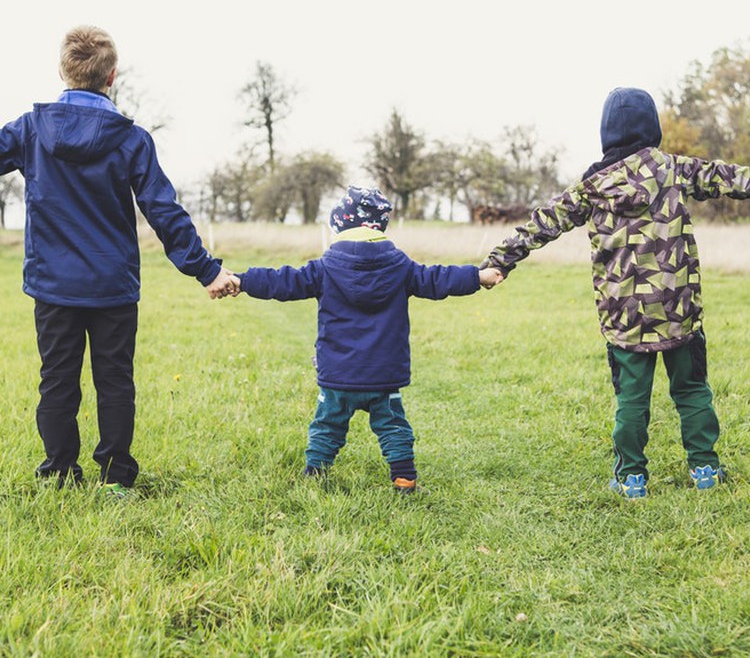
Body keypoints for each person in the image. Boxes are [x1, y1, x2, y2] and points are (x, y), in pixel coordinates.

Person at [0, 25, 236, 496]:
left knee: (57, 382)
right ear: (111, 77)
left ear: (63, 72)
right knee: (115, 381)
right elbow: (163, 212)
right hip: (112, 286)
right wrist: (206, 270)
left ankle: (60, 474)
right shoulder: (132, 139)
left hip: (53, 286)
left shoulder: (31, 130)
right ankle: (115, 478)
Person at [482, 87, 750, 498]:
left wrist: (501, 260)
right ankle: (705, 471)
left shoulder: (592, 186)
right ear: (653, 128)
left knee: (631, 400)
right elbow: (730, 178)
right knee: (693, 390)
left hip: (625, 318)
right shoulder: (674, 169)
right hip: (679, 310)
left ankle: (632, 479)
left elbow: (541, 223)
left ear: (607, 133)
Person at [229, 186, 501, 492]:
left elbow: (282, 281)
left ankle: (315, 474)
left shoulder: (324, 268)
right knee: (393, 427)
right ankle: (404, 478)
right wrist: (477, 277)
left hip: (338, 375)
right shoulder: (401, 267)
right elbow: (437, 279)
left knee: (327, 426)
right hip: (383, 374)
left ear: (341, 225)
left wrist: (242, 280)